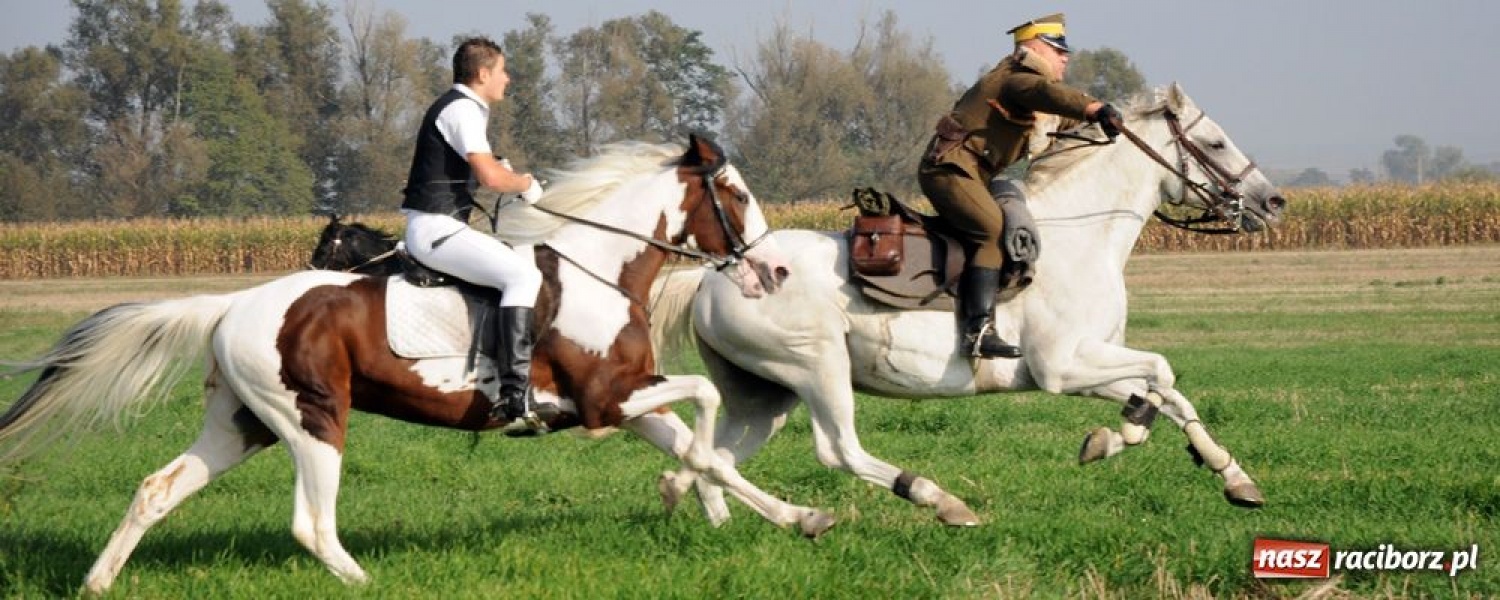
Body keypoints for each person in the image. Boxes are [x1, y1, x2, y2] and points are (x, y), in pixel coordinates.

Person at [917, 13, 1121, 359]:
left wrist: (1105, 121)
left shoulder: (1029, 94)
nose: (1065, 57)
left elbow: (1061, 115)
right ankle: (978, 332)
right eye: (1058, 50)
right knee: (992, 229)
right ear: (1035, 48)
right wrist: (1095, 107)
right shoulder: (1015, 80)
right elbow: (1046, 94)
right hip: (949, 171)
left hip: (974, 175)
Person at [400, 37, 546, 425]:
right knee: (524, 277)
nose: (507, 78)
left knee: (519, 261)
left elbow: (482, 168)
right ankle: (515, 395)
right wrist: (525, 183)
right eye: (502, 71)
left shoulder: (462, 108)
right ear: (483, 74)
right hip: (437, 229)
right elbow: (490, 178)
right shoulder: (463, 109)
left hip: (439, 226)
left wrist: (502, 169)